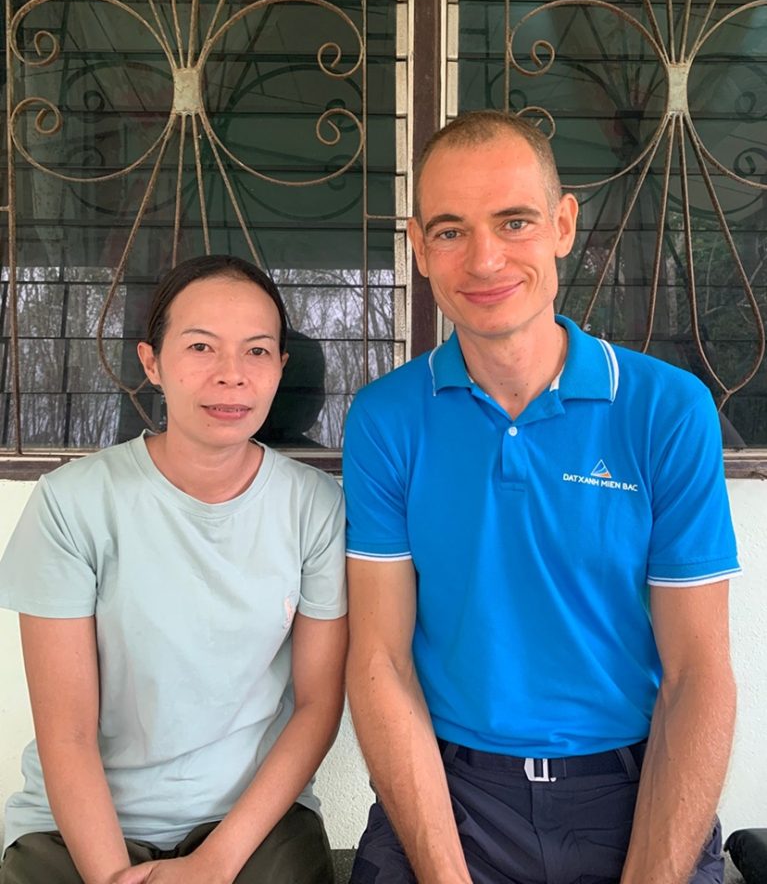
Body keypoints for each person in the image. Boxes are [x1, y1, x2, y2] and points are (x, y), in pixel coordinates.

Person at [343, 110, 740, 884]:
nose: (484, 259)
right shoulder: (386, 419)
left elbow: (697, 674)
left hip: (629, 792)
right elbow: (380, 661)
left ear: (562, 225)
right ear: (419, 247)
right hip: (451, 794)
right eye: (450, 231)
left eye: (514, 221)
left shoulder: (665, 409)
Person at [0, 254, 347, 884]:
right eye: (200, 347)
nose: (231, 375)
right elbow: (67, 731)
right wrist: (111, 876)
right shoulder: (72, 503)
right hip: (77, 826)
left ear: (280, 367)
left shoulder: (316, 509)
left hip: (251, 824)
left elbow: (318, 705)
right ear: (152, 362)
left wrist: (215, 863)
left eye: (257, 351)